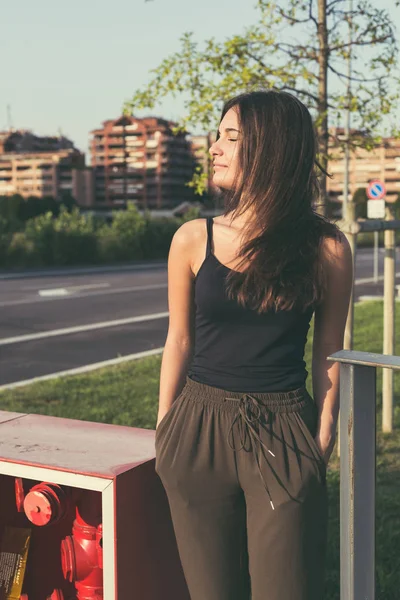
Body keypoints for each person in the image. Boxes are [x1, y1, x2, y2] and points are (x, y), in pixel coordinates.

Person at [154, 90, 353, 600]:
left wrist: (322, 437)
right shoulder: (192, 239)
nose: (215, 147)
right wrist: (165, 432)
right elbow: (179, 338)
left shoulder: (326, 247)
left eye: (232, 137)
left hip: (283, 429)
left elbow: (330, 348)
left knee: (285, 589)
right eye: (216, 135)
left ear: (272, 149)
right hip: (196, 428)